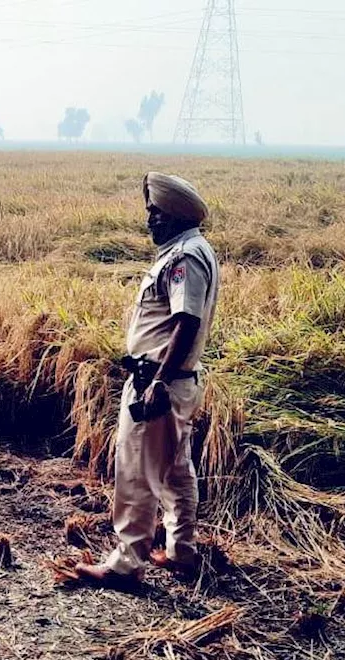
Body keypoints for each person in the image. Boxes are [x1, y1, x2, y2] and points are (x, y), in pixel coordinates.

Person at [75, 172, 220, 587]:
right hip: (174, 382)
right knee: (175, 469)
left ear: (174, 214)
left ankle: (126, 563)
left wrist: (158, 380)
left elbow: (185, 323)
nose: (149, 220)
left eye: (155, 212)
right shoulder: (191, 250)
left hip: (159, 383)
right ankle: (181, 549)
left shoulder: (184, 258)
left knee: (137, 471)